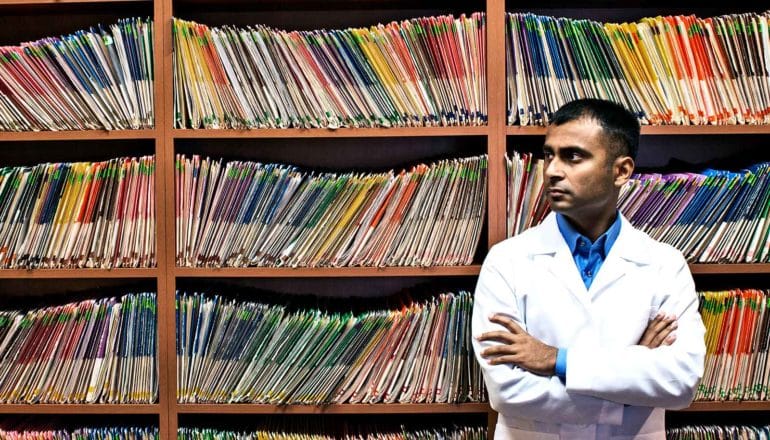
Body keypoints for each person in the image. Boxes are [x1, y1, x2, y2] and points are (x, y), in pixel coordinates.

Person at [471, 99, 706, 439]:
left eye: (573, 156)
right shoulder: (505, 261)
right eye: (549, 154)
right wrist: (632, 379)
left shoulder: (664, 264)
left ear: (621, 171)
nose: (551, 170)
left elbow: (680, 382)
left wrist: (556, 360)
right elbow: (507, 391)